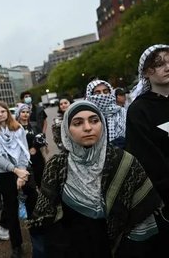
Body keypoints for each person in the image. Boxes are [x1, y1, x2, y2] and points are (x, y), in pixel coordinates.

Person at [28, 101, 162, 258]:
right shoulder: (57, 165)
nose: (87, 128)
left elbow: (142, 214)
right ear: (66, 129)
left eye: (94, 120)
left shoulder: (123, 161)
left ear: (103, 124)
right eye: (78, 123)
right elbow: (47, 218)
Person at [126, 44, 169, 256]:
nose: (166, 67)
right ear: (146, 72)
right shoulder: (138, 111)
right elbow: (147, 160)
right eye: (159, 64)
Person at [0, 101, 34, 258]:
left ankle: (38, 238)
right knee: (11, 211)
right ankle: (17, 246)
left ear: (8, 112)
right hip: (6, 174)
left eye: (3, 111)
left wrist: (21, 171)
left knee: (33, 204)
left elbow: (23, 150)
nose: (0, 114)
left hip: (23, 171)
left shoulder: (18, 128)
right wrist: (15, 170)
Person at [85, 79, 127, 148]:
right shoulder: (86, 115)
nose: (102, 95)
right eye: (97, 93)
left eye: (105, 91)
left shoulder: (121, 111)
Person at [15, 104, 46, 188]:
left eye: (27, 112)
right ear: (18, 113)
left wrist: (36, 147)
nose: (25, 114)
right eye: (23, 112)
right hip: (24, 160)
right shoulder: (15, 128)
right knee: (29, 186)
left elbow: (42, 139)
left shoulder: (34, 126)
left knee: (42, 182)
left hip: (37, 158)